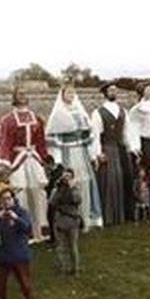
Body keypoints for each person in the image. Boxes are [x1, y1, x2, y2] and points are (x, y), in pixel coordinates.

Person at [0, 89, 51, 242]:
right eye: (19, 94)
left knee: (38, 192)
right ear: (14, 98)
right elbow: (5, 142)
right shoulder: (8, 120)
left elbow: (41, 141)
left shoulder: (36, 118)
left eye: (24, 93)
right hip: (17, 159)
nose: (22, 96)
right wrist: (5, 161)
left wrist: (46, 157)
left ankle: (41, 227)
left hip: (33, 158)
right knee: (21, 192)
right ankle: (24, 229)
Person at [45, 83, 102, 230]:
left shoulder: (80, 111)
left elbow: (88, 132)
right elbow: (53, 139)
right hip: (67, 152)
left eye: (72, 93)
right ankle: (68, 218)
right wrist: (57, 160)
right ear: (62, 95)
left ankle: (87, 217)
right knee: (69, 183)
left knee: (85, 182)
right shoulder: (58, 113)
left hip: (81, 151)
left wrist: (92, 154)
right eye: (68, 93)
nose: (71, 95)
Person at [89, 81, 133, 226]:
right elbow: (95, 135)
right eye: (111, 90)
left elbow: (126, 133)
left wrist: (130, 148)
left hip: (120, 149)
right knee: (109, 182)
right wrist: (98, 153)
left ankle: (121, 215)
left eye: (115, 90)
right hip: (107, 148)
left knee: (121, 180)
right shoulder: (98, 113)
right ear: (105, 93)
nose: (114, 92)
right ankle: (107, 216)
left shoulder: (123, 112)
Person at [0, 188, 37, 299]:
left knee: (25, 283)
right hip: (2, 254)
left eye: (8, 198)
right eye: (3, 199)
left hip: (19, 254)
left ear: (13, 199)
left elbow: (28, 229)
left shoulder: (22, 212)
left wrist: (16, 219)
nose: (6, 202)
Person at [48, 167, 82, 275]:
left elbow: (77, 200)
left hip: (72, 220)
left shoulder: (75, 189)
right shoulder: (57, 189)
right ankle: (62, 268)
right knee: (61, 246)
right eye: (64, 176)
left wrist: (72, 188)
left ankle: (75, 268)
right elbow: (52, 202)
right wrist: (58, 190)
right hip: (60, 220)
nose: (66, 178)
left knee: (73, 246)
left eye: (69, 176)